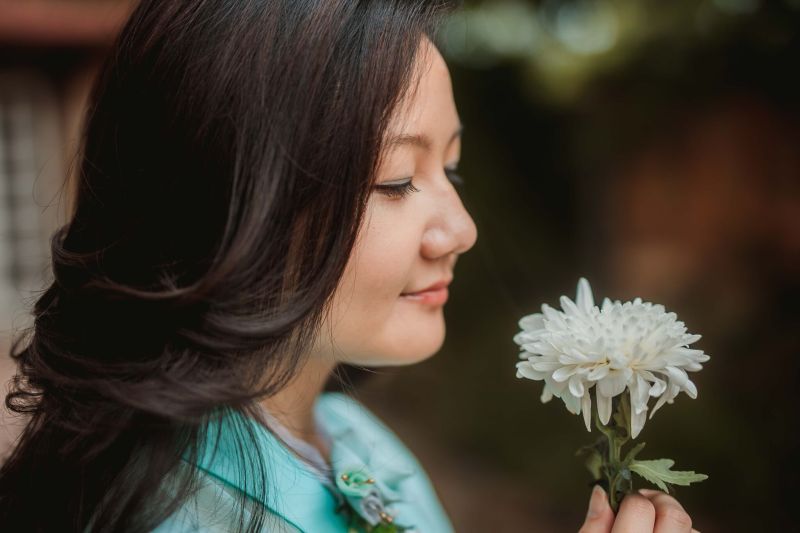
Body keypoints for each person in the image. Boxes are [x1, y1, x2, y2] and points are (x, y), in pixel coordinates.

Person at [0, 1, 699, 531]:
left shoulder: (359, 442)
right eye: (396, 179)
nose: (461, 230)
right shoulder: (167, 512)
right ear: (229, 200)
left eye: (452, 168)